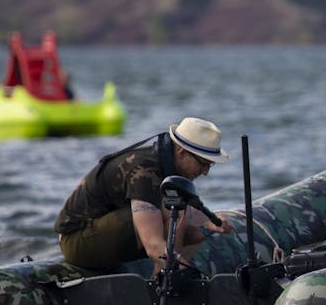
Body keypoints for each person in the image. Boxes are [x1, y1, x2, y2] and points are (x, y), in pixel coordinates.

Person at [54, 117, 234, 275]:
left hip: (103, 231)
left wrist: (207, 228)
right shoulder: (145, 171)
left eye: (209, 166)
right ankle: (165, 282)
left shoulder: (168, 167)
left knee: (195, 214)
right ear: (181, 152)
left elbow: (179, 234)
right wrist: (189, 274)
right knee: (173, 210)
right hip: (76, 241)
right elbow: (153, 245)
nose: (205, 172)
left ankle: (165, 278)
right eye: (203, 164)